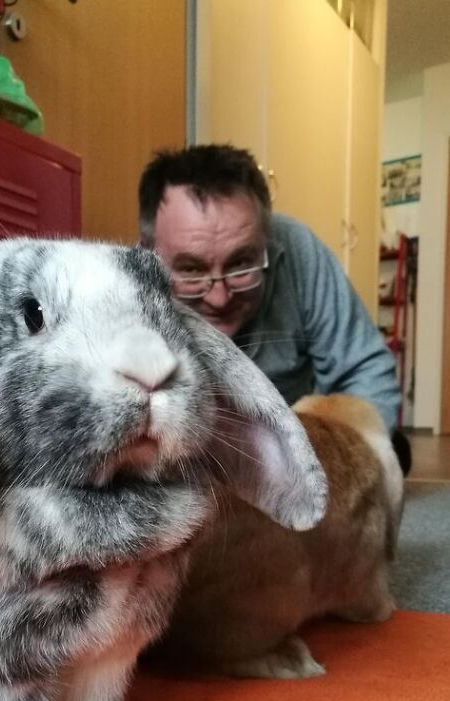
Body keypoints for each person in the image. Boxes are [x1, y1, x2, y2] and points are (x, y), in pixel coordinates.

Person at [138, 144, 411, 472]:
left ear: (267, 240)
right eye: (192, 269)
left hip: (291, 454)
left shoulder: (298, 248)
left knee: (386, 451)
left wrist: (331, 468)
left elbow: (365, 370)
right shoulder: (124, 290)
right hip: (187, 459)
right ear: (147, 257)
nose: (220, 298)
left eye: (241, 263)